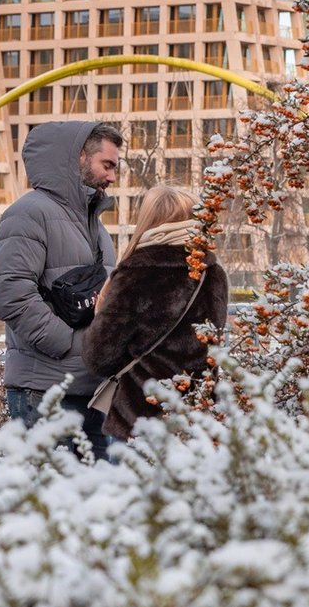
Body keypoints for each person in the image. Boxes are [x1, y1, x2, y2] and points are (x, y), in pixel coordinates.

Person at [0, 120, 122, 458]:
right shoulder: (28, 214)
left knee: (95, 488)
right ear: (79, 157)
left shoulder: (96, 227)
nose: (112, 177)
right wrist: (68, 344)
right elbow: (10, 293)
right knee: (46, 489)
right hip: (45, 390)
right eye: (107, 165)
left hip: (91, 390)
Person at [81, 184, 229, 441]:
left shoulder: (134, 274)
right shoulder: (212, 273)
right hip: (197, 418)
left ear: (148, 221)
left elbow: (99, 357)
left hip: (139, 418)